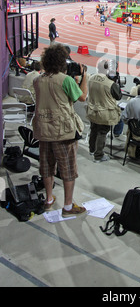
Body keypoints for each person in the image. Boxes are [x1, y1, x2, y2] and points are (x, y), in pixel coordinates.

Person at [32, 44, 88, 217]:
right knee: (68, 169)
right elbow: (82, 97)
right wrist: (84, 76)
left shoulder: (37, 80)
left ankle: (49, 200)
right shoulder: (66, 80)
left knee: (47, 166)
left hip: (43, 129)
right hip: (63, 132)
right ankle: (68, 206)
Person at [86, 60, 122, 162]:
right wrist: (116, 83)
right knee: (102, 132)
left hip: (92, 110)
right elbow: (118, 96)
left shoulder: (91, 77)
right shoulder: (110, 83)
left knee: (93, 130)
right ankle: (98, 155)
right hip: (105, 113)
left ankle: (92, 150)